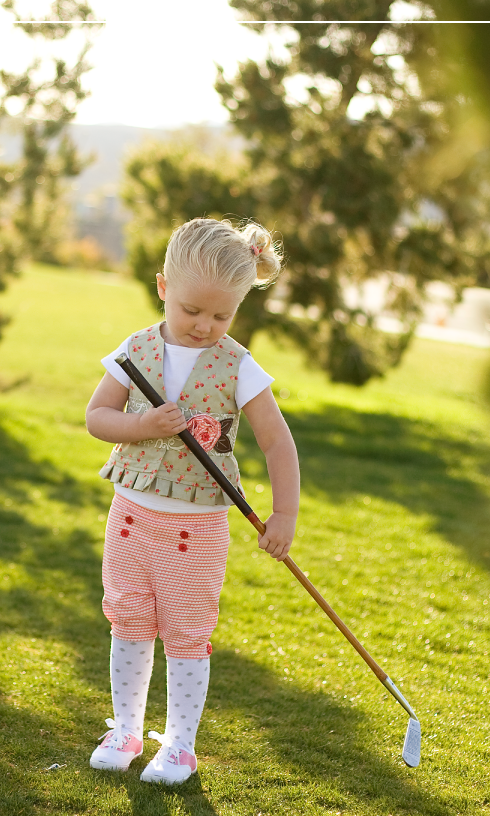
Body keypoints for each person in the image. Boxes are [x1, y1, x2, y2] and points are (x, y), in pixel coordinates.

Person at [85, 217, 300, 785]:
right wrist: (147, 425)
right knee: (128, 618)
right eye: (191, 310)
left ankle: (179, 745)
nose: (204, 325)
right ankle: (127, 729)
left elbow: (277, 441)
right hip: (130, 515)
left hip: (195, 527)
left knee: (186, 627)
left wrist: (284, 514)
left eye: (221, 315)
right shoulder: (134, 351)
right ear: (162, 288)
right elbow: (97, 418)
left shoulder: (239, 366)